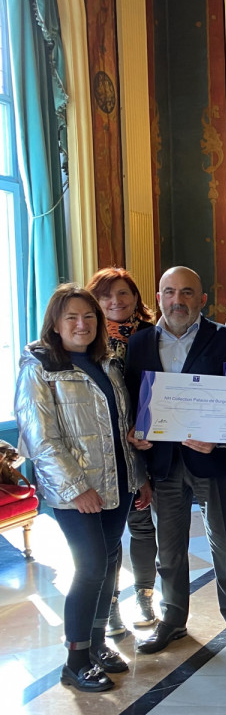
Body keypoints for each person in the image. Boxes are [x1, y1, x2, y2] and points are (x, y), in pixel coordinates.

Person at [15, 286, 151, 691]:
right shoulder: (39, 368)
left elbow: (120, 427)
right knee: (90, 566)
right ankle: (75, 661)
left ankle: (96, 644)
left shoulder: (106, 363)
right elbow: (40, 439)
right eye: (71, 317)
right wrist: (76, 488)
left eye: (89, 317)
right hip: (77, 492)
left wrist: (138, 477)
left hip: (117, 484)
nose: (81, 324)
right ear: (55, 325)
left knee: (108, 563)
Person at [125, 267, 226, 656]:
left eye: (187, 292)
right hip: (163, 463)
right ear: (159, 297)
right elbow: (132, 399)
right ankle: (172, 620)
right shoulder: (139, 343)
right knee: (168, 549)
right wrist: (135, 432)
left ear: (202, 299)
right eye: (169, 292)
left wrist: (221, 437)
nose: (177, 300)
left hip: (215, 462)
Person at [85, 267, 159, 635]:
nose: (115, 301)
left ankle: (145, 595)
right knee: (108, 534)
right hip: (106, 448)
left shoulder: (152, 335)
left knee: (142, 524)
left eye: (123, 293)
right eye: (106, 295)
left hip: (149, 442)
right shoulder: (87, 340)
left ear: (135, 298)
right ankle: (110, 603)